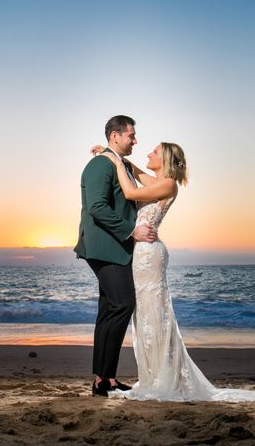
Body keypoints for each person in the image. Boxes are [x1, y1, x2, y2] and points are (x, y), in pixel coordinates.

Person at [95, 141, 255, 402]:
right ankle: (153, 375)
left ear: (166, 160)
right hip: (140, 253)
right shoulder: (157, 181)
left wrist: (115, 162)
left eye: (155, 152)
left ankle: (163, 377)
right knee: (146, 315)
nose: (149, 153)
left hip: (149, 255)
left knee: (155, 312)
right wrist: (112, 155)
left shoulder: (168, 184)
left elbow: (129, 192)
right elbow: (136, 172)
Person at [74, 115, 158, 397]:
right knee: (123, 303)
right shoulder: (100, 165)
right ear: (115, 136)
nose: (135, 140)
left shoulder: (116, 163)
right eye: (131, 136)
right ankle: (104, 378)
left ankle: (104, 379)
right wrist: (131, 231)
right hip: (104, 246)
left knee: (110, 309)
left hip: (113, 247)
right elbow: (96, 207)